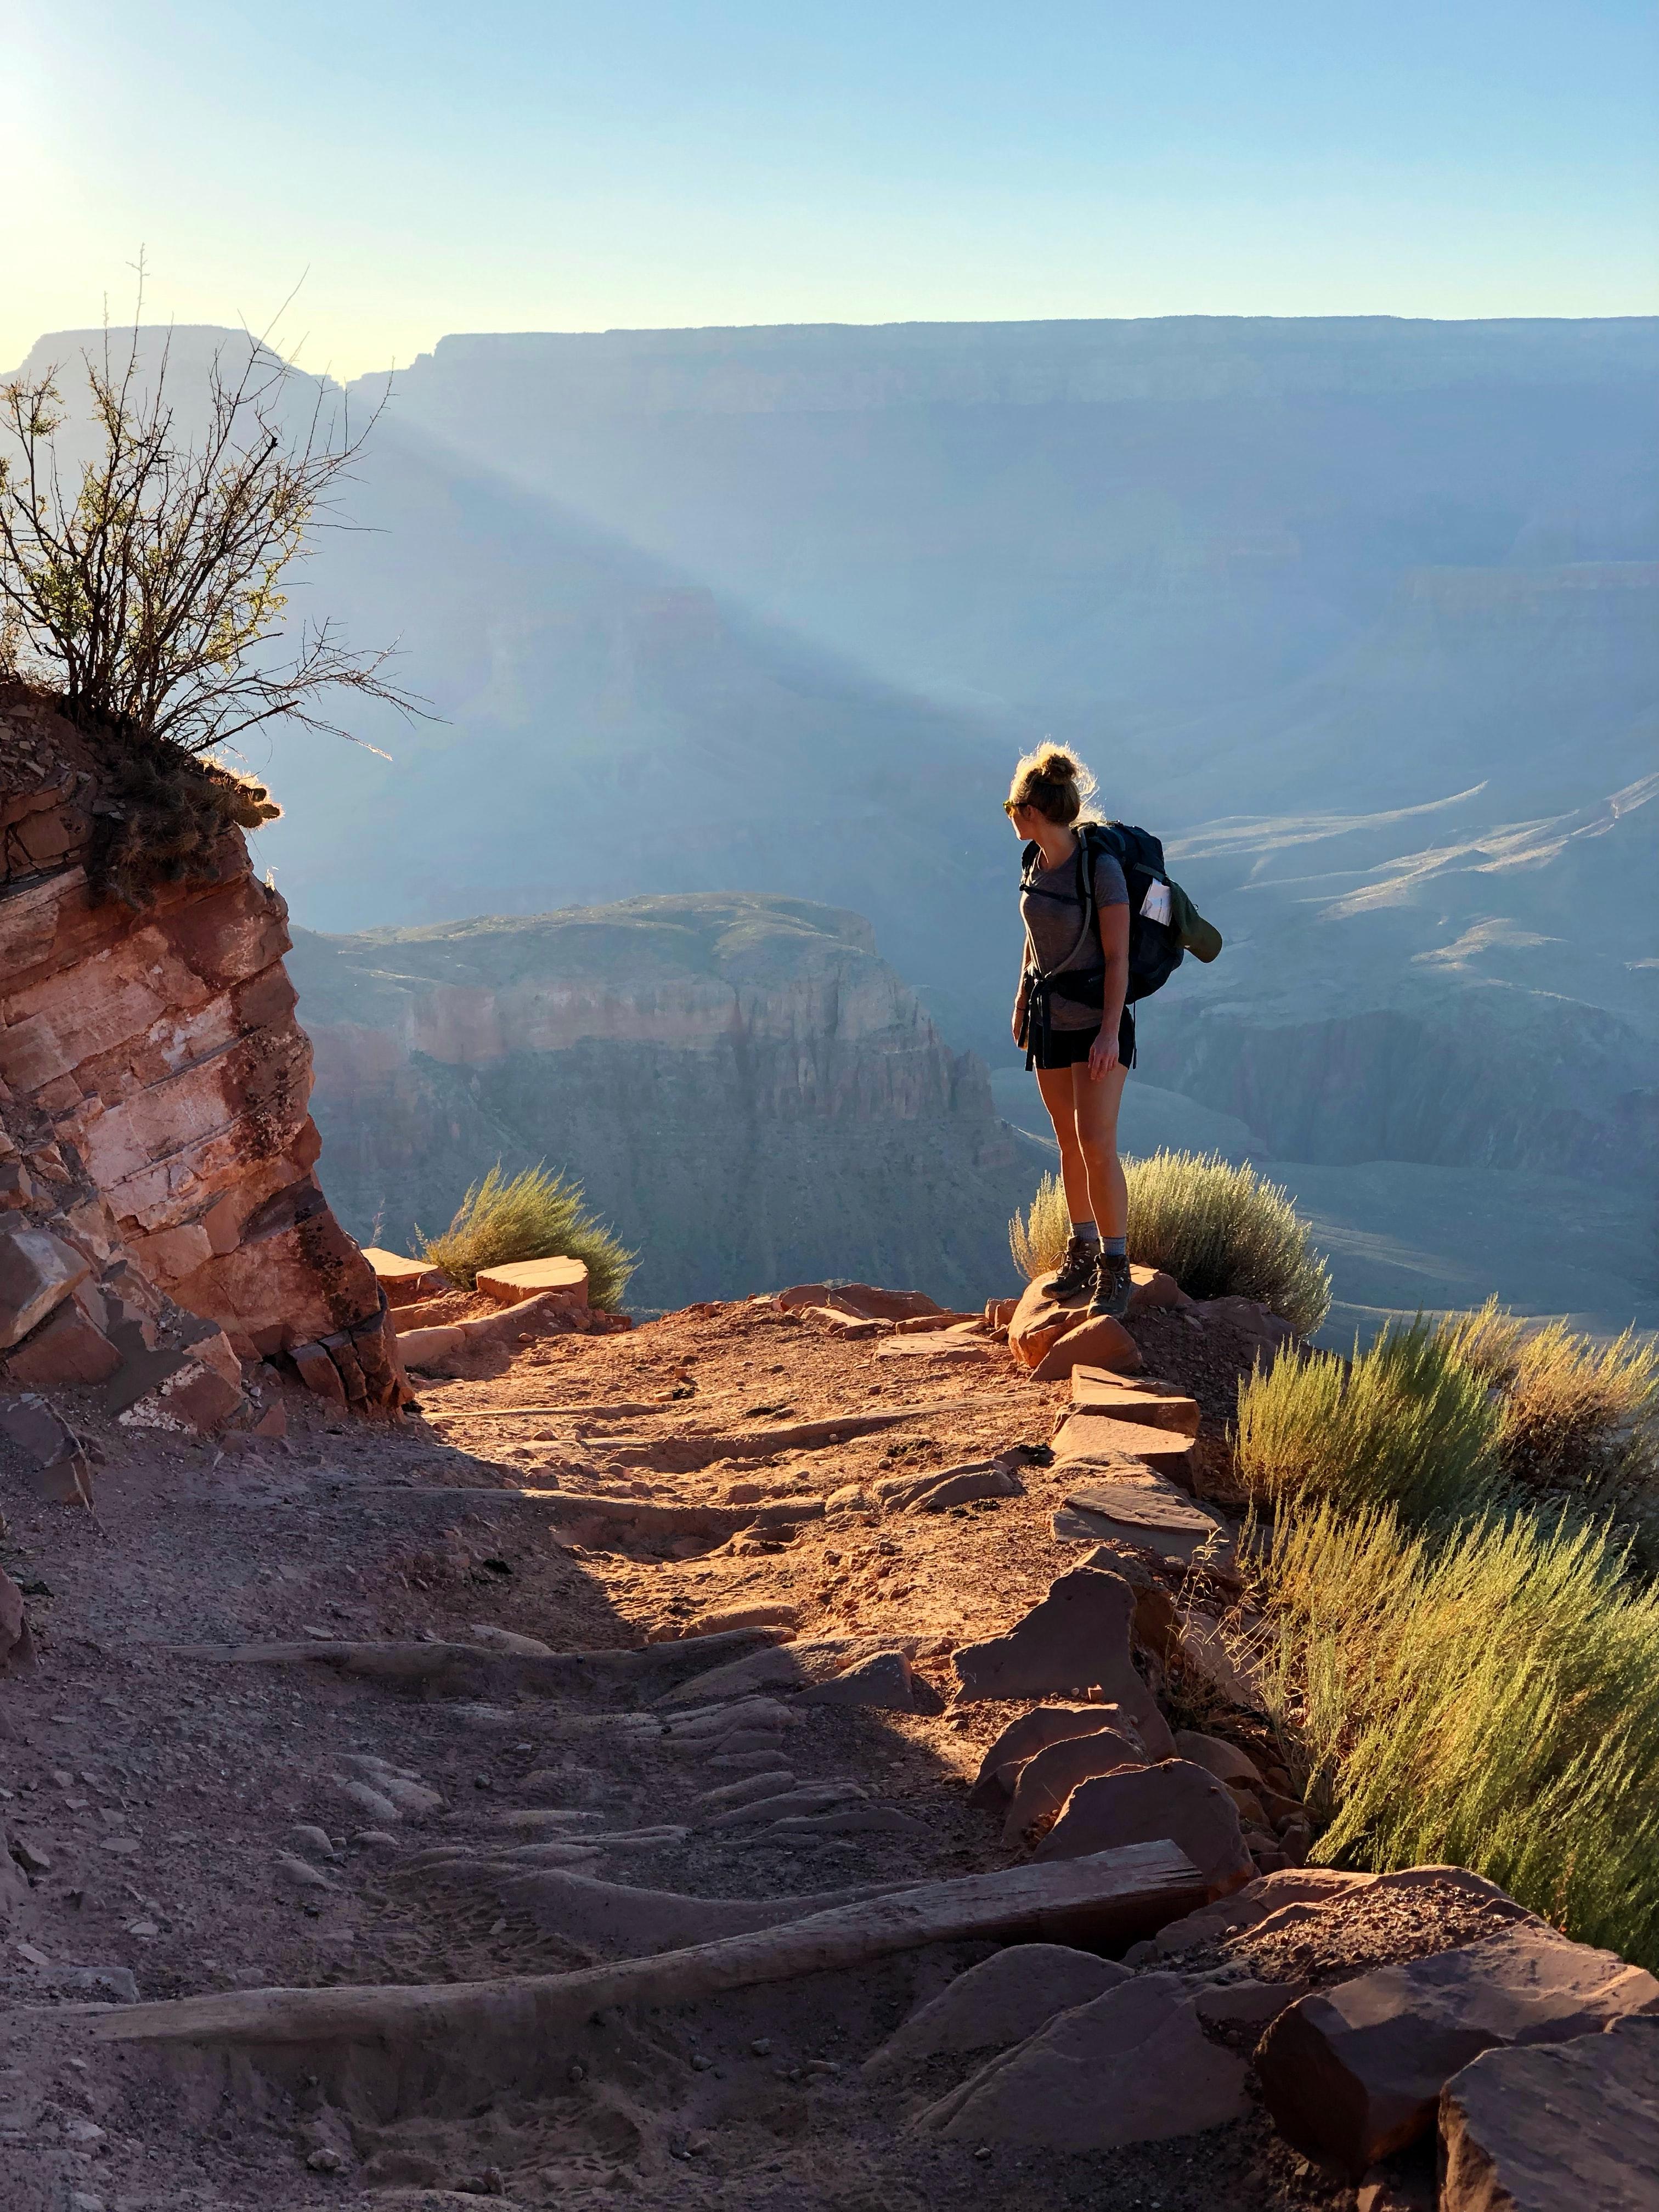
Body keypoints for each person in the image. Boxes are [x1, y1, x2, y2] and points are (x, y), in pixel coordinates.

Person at [1006, 742, 1134, 1318]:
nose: (1011, 818)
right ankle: (1081, 1249)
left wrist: (1109, 1034)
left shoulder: (1098, 870)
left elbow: (1119, 959)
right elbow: (1034, 938)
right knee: (1067, 1138)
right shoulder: (1034, 862)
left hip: (1097, 1024)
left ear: (1034, 812)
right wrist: (1020, 999)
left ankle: (1116, 1266)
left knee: (1098, 1145)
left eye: (1014, 808)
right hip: (1049, 1019)